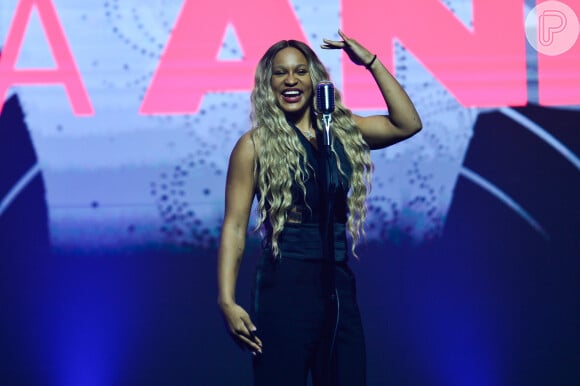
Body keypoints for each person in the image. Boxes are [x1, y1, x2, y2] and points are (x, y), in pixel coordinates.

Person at [217, 30, 422, 386]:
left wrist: (370, 62)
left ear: (315, 79)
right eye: (280, 72)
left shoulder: (339, 131)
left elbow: (407, 123)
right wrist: (226, 301)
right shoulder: (254, 145)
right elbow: (234, 226)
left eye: (300, 70)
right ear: (269, 83)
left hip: (337, 284)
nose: (291, 80)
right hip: (284, 287)